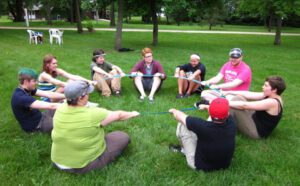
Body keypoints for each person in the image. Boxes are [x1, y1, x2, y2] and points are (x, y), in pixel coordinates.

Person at [51, 80, 140, 174]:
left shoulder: (60, 108)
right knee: (122, 136)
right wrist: (133, 114)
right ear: (81, 97)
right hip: (80, 166)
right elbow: (119, 115)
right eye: (87, 94)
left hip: (57, 161)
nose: (89, 96)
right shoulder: (94, 113)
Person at [169, 98, 236, 171]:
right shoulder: (231, 123)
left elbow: (179, 116)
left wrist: (174, 111)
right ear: (227, 114)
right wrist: (206, 106)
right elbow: (222, 115)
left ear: (210, 112)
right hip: (225, 164)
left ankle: (184, 150)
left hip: (201, 165)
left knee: (182, 125)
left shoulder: (202, 126)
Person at [11, 68, 64, 133]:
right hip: (37, 125)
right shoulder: (21, 97)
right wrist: (69, 105)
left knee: (63, 102)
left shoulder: (26, 89)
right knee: (65, 123)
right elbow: (51, 106)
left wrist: (67, 96)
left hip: (41, 116)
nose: (36, 83)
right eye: (34, 81)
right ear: (26, 82)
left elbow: (48, 94)